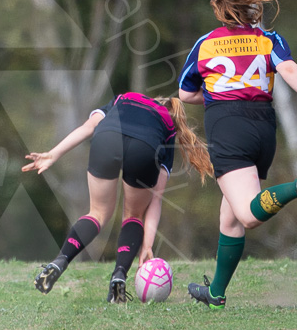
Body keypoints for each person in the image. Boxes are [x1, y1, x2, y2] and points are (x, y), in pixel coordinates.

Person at [179, 0, 297, 310]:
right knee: (229, 219)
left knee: (246, 214)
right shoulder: (267, 37)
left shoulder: (206, 43)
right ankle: (216, 293)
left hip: (228, 127)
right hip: (263, 126)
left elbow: (186, 93)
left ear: (219, 10)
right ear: (248, 8)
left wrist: (219, 93)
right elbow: (287, 69)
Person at [23, 93, 213, 303]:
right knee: (134, 215)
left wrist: (52, 154)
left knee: (98, 213)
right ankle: (119, 274)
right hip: (145, 147)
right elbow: (156, 199)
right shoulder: (167, 125)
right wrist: (147, 245)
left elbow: (88, 128)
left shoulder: (124, 98)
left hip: (107, 137)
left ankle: (61, 260)